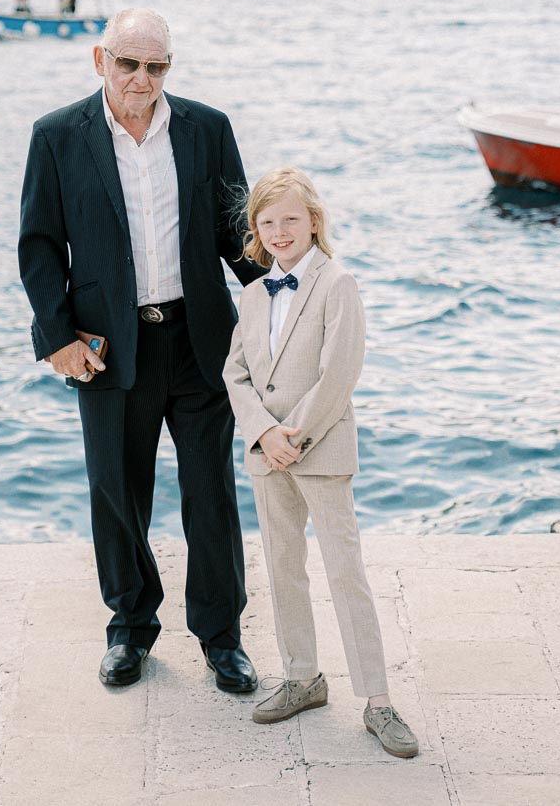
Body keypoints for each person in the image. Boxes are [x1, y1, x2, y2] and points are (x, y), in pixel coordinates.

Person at [18, 7, 262, 693]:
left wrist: (291, 293)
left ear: (168, 69)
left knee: (210, 492)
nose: (141, 78)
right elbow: (39, 246)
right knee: (117, 492)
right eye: (128, 63)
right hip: (106, 346)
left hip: (200, 339)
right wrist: (57, 339)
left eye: (155, 66)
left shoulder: (207, 129)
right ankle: (130, 628)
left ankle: (222, 637)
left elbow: (236, 234)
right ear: (102, 60)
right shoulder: (57, 136)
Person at [223, 166, 419, 757]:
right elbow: (235, 373)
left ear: (313, 221)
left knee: (344, 572)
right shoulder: (254, 294)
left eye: (290, 219)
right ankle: (302, 676)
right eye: (267, 222)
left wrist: (294, 435)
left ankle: (378, 700)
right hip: (268, 455)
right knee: (283, 568)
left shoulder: (338, 284)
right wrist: (263, 433)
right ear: (256, 231)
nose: (279, 231)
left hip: (319, 448)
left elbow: (339, 372)